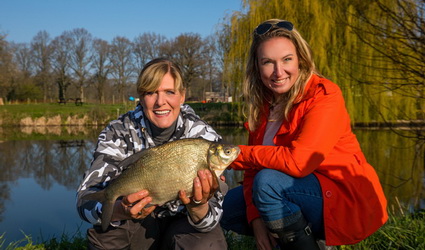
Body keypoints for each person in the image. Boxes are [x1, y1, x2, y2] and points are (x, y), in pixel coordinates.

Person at [221, 19, 388, 249]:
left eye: (287, 59)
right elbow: (252, 170)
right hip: (296, 191)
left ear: (301, 59)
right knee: (227, 205)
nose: (279, 72)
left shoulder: (324, 96)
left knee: (268, 183)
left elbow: (300, 162)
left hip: (341, 197)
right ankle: (299, 237)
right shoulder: (263, 105)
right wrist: (255, 218)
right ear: (257, 67)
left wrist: (237, 153)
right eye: (268, 62)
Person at [76, 58, 228, 249]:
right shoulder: (118, 132)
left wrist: (198, 206)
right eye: (150, 93)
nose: (160, 102)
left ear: (182, 96)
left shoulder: (204, 139)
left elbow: (212, 221)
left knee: (208, 243)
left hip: (183, 224)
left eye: (169, 92)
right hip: (136, 224)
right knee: (106, 239)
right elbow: (84, 201)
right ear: (141, 97)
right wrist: (118, 211)